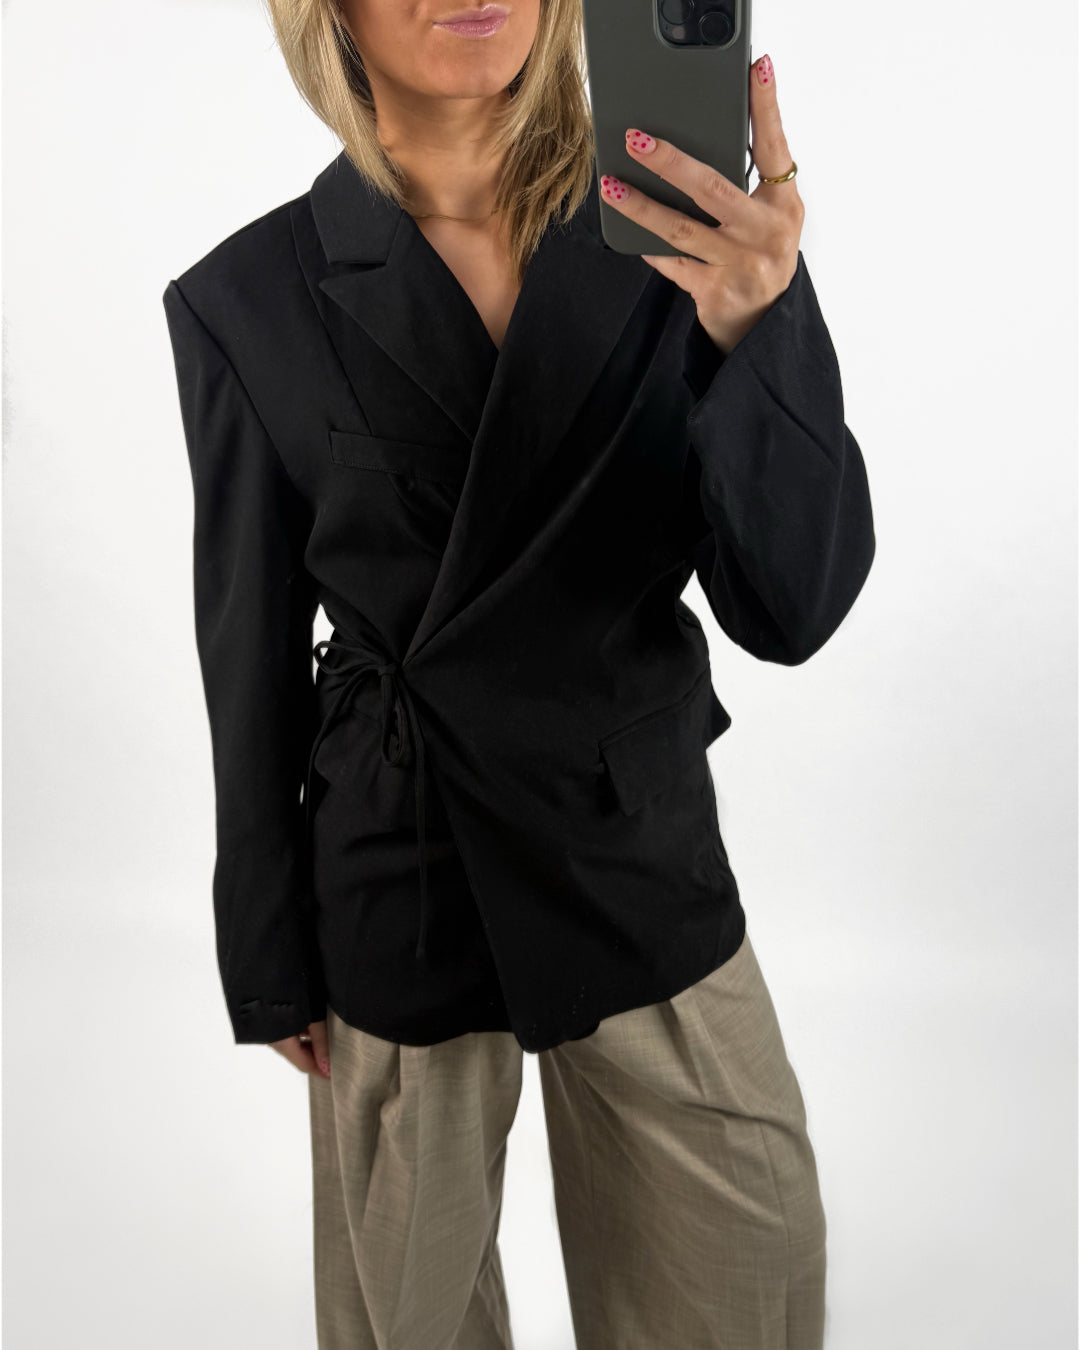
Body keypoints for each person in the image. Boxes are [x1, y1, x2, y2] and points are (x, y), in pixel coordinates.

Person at [162, 0, 876, 1344]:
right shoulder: (246, 299)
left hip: (631, 839)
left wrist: (762, 324)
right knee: (410, 1313)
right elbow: (245, 648)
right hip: (401, 865)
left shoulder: (685, 229)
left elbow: (794, 607)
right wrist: (266, 948)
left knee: (746, 1268)